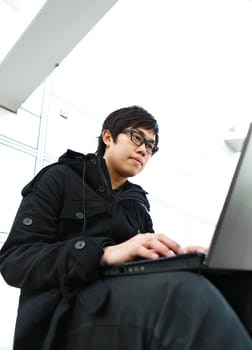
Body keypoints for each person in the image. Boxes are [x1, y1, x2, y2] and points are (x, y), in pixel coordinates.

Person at [0, 105, 252, 350]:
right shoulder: (60, 178)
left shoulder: (137, 204)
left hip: (122, 298)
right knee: (183, 296)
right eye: (136, 137)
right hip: (63, 315)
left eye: (151, 146)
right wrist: (102, 253)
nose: (144, 150)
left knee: (238, 285)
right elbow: (15, 260)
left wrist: (183, 257)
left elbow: (146, 260)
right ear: (108, 137)